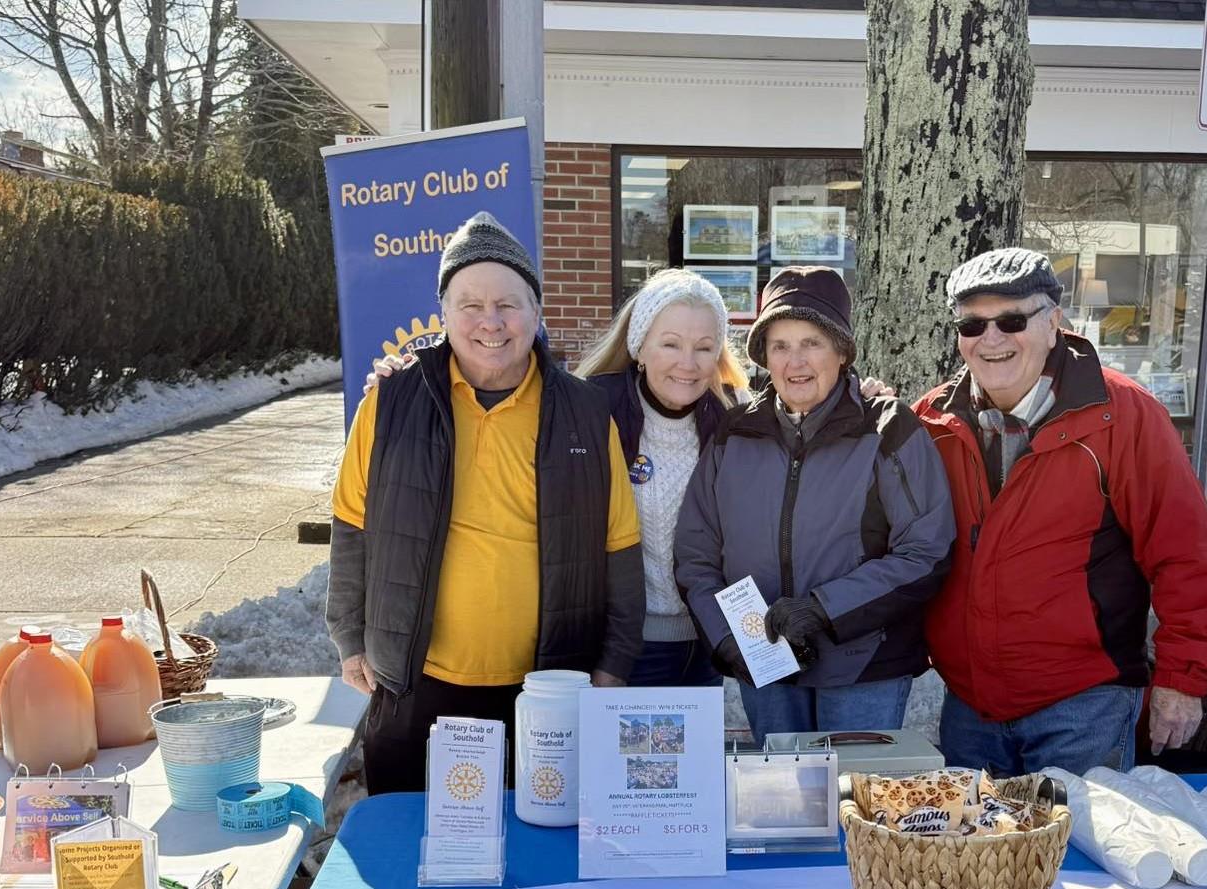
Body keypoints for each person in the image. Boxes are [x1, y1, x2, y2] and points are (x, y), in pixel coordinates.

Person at [326, 211, 644, 793]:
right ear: (443, 313)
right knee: (409, 844)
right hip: (413, 685)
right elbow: (352, 527)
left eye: (509, 304)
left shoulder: (584, 412)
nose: (490, 322)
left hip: (547, 688)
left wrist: (613, 665)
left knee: (538, 857)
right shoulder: (390, 404)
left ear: (537, 313)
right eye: (470, 304)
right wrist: (350, 637)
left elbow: (619, 547)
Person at [913, 246, 1207, 778]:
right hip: (971, 707)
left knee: (1077, 859)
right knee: (976, 861)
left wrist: (1182, 679)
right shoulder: (933, 421)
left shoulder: (1123, 416)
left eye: (1012, 319)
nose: (991, 339)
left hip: (1084, 706)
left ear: (1054, 322)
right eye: (972, 325)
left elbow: (1186, 554)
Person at [674, 266, 954, 744]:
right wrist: (729, 641)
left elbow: (926, 552)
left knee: (856, 806)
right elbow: (696, 555)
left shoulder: (886, 429)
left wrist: (823, 610)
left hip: (864, 668)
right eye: (780, 346)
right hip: (764, 665)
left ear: (842, 351)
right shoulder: (734, 434)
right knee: (782, 805)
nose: (794, 361)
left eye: (812, 342)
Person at [574, 269, 749, 688]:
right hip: (621, 649)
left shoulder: (736, 421)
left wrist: (865, 397)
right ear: (640, 347)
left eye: (704, 348)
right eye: (670, 344)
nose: (687, 364)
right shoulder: (591, 411)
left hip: (705, 642)